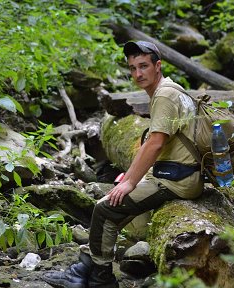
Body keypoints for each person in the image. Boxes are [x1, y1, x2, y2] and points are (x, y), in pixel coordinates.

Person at [42, 40, 204, 288]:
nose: (138, 74)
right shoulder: (170, 90)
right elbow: (156, 143)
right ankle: (83, 269)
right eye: (132, 68)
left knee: (105, 208)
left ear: (157, 66)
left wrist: (130, 182)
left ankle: (100, 279)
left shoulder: (165, 95)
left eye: (143, 66)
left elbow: (156, 143)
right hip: (174, 172)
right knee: (113, 207)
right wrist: (128, 177)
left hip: (177, 179)